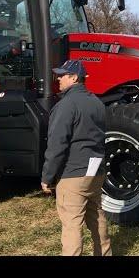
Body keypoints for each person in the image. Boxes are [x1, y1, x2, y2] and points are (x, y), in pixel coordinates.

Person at [40, 59, 112, 256]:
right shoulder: (97, 103)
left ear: (74, 77)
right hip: (96, 172)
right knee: (97, 217)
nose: (58, 79)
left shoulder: (66, 105)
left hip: (73, 175)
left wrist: (47, 177)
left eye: (62, 75)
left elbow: (57, 145)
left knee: (72, 225)